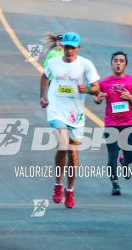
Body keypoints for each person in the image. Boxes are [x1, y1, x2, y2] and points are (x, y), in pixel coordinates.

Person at [39, 32, 100, 209]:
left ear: (78, 48)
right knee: (63, 145)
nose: (69, 50)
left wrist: (88, 89)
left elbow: (97, 88)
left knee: (73, 154)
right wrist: (43, 96)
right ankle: (58, 185)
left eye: (73, 47)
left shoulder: (85, 65)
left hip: (76, 114)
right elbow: (44, 76)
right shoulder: (53, 63)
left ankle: (70, 189)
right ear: (62, 47)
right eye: (66, 47)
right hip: (56, 110)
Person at [93, 51, 132, 195]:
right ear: (111, 64)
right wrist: (98, 99)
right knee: (112, 156)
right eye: (115, 61)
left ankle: (126, 163)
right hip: (111, 123)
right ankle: (115, 184)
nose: (118, 63)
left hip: (129, 123)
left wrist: (131, 97)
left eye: (121, 61)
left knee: (130, 155)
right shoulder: (103, 83)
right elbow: (96, 98)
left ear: (125, 64)